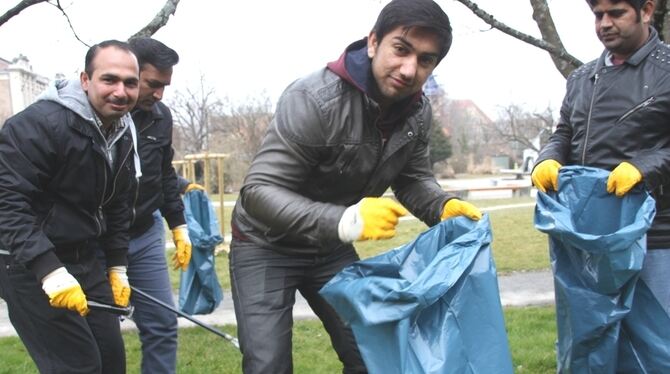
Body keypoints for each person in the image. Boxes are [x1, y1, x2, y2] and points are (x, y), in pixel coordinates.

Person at [229, 0, 482, 372]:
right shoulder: (313, 99)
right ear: (374, 42)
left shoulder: (418, 112)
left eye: (425, 60)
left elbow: (412, 179)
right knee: (268, 363)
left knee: (370, 353)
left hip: (330, 249)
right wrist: (347, 221)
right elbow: (260, 191)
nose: (409, 69)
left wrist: (442, 205)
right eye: (401, 49)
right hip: (265, 243)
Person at [532, 0, 670, 361]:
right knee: (591, 349)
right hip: (588, 242)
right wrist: (548, 158)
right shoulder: (581, 78)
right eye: (598, 15)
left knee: (656, 350)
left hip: (655, 238)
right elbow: (564, 132)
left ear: (647, 10)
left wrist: (644, 167)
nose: (605, 23)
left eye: (616, 13)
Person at [0, 40, 139, 373]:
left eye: (130, 83)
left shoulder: (121, 130)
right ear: (85, 80)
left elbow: (119, 204)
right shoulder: (37, 126)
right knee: (78, 367)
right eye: (110, 79)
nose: (121, 91)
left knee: (110, 363)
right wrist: (48, 270)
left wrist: (117, 266)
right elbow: (7, 204)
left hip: (84, 258)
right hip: (27, 265)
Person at [124, 37, 200, 374]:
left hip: (143, 233)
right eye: (153, 84)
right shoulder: (96, 113)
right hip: (92, 240)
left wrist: (179, 225)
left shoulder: (159, 116)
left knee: (162, 325)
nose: (159, 94)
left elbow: (164, 173)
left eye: (164, 86)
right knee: (93, 334)